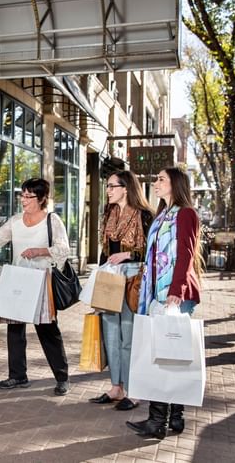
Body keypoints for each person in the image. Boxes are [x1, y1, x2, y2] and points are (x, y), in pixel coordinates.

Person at [0, 178, 71, 396]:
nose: (23, 200)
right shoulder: (15, 220)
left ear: (42, 198)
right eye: (22, 195)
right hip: (18, 279)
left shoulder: (52, 220)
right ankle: (17, 376)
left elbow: (63, 248)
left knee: (48, 330)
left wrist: (38, 251)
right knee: (15, 330)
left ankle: (62, 378)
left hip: (42, 280)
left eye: (28, 196)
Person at [126, 167, 203, 439]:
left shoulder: (185, 213)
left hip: (173, 295)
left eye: (161, 179)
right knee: (171, 355)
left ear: (175, 184)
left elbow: (186, 253)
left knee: (166, 355)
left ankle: (157, 421)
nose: (155, 182)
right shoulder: (162, 215)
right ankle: (175, 418)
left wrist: (176, 289)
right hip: (156, 294)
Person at [88, 170, 153, 411]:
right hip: (110, 276)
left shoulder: (145, 216)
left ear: (126, 188)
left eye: (112, 186)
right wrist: (100, 276)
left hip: (133, 278)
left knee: (129, 338)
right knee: (111, 336)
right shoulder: (109, 212)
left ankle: (134, 390)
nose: (108, 190)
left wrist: (127, 254)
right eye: (107, 186)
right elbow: (105, 250)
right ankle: (116, 387)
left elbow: (155, 252)